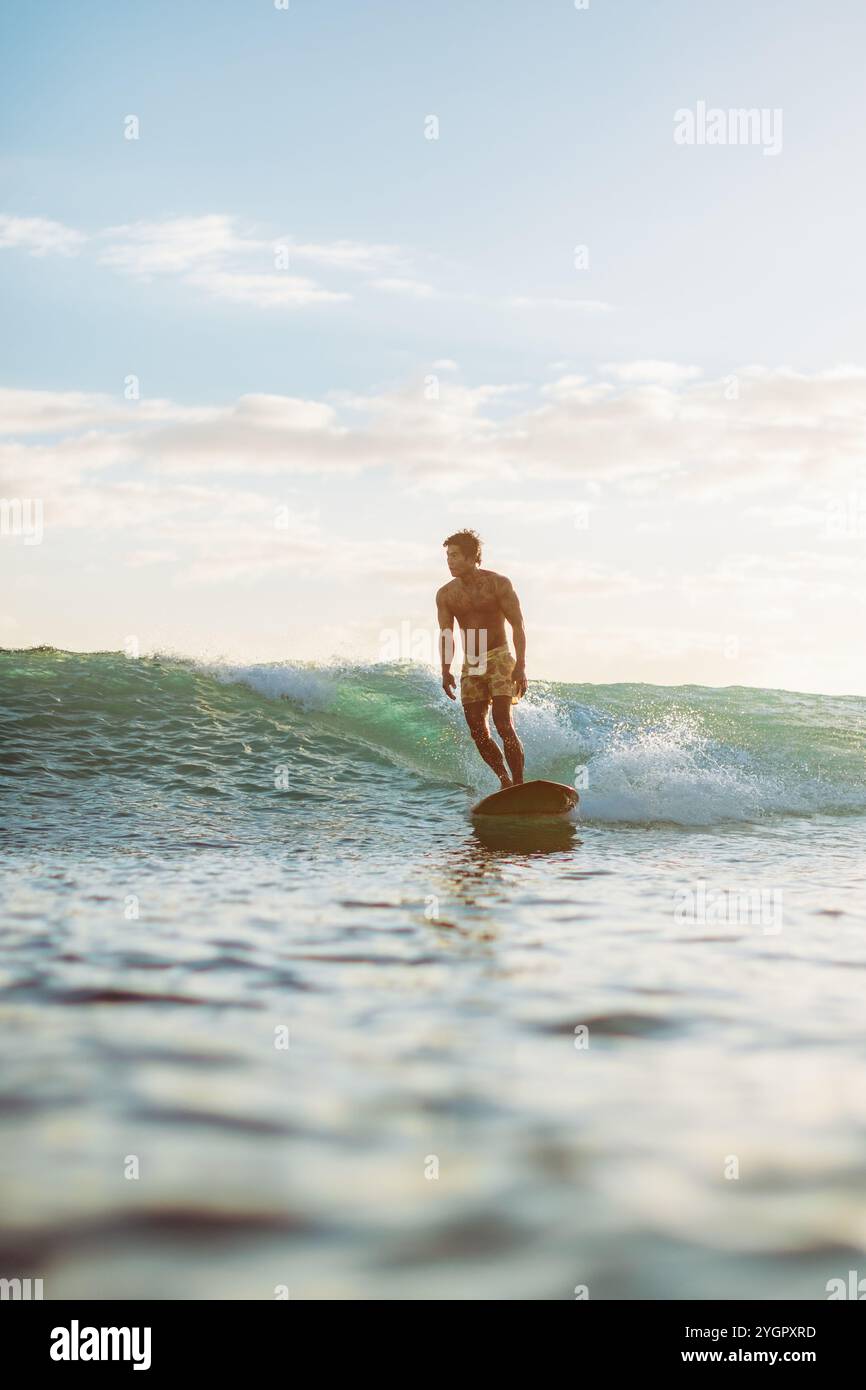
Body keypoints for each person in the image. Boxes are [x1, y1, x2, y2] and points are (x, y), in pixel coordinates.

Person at [436, 528, 527, 788]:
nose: (449, 561)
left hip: (500, 657)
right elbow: (446, 634)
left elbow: (518, 626)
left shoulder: (498, 584)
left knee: (503, 723)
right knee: (477, 731)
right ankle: (505, 781)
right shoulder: (446, 594)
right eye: (448, 556)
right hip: (472, 662)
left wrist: (520, 665)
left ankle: (520, 783)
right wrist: (445, 670)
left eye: (455, 555)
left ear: (472, 556)